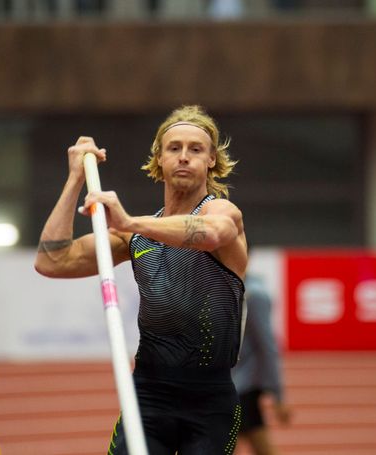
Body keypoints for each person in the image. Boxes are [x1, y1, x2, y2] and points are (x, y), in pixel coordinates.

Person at [34, 105, 248, 454]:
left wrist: (129, 221)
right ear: (159, 159)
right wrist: (74, 180)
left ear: (211, 160)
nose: (184, 157)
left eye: (195, 149)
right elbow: (52, 260)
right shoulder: (135, 237)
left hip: (210, 402)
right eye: (174, 148)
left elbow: (212, 233)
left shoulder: (221, 213)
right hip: (148, 396)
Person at [232, 273, 291, 455]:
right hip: (227, 385)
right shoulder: (222, 288)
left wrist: (278, 395)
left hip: (241, 388)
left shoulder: (253, 295)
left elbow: (268, 346)